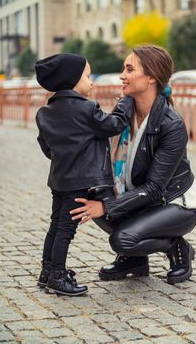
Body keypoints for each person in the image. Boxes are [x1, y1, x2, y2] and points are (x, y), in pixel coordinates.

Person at [70, 45, 196, 285]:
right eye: (123, 68)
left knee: (121, 238)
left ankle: (177, 246)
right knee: (85, 196)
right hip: (140, 199)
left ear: (151, 77)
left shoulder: (171, 125)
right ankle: (135, 261)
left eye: (129, 69)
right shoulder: (125, 110)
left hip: (173, 203)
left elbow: (154, 188)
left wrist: (107, 206)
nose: (122, 75)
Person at [35, 53, 133, 296]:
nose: (91, 82)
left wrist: (64, 159)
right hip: (79, 183)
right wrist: (125, 103)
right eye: (88, 76)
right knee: (66, 230)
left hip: (59, 179)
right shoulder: (87, 109)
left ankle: (47, 272)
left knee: (55, 225)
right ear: (72, 80)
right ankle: (57, 276)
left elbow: (46, 146)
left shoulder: (44, 113)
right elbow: (113, 125)